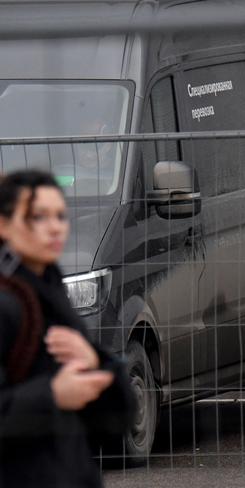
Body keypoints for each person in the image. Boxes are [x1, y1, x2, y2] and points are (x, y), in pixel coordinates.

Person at [0, 170, 134, 487]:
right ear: (4, 224)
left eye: (60, 216)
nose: (54, 227)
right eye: (37, 217)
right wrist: (53, 396)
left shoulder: (50, 289)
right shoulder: (8, 303)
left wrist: (96, 363)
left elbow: (116, 420)